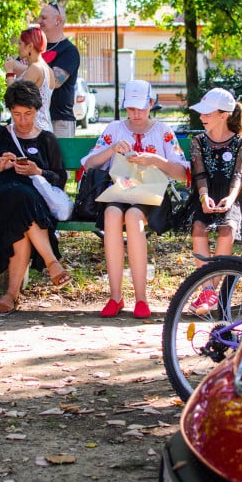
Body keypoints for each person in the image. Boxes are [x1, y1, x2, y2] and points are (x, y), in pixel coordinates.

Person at [81, 80, 189, 318]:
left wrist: (155, 160)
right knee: (111, 214)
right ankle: (115, 296)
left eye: (141, 107)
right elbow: (88, 165)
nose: (136, 113)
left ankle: (141, 298)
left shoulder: (163, 131)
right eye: (131, 108)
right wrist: (111, 151)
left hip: (153, 194)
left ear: (151, 103)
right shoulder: (115, 129)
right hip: (122, 190)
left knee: (133, 216)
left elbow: (182, 173)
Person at [0, 81, 72, 316]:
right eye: (17, 114)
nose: (23, 121)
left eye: (28, 114)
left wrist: (38, 171)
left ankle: (11, 296)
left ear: (37, 111)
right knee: (20, 199)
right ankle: (51, 262)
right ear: (10, 112)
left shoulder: (46, 139)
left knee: (22, 208)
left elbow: (59, 178)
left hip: (30, 203)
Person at [185, 88, 242, 314]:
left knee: (227, 230)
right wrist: (204, 197)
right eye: (201, 113)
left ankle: (209, 293)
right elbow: (199, 174)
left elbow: (238, 175)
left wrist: (230, 198)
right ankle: (208, 291)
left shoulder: (241, 143)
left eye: (207, 113)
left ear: (223, 115)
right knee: (198, 228)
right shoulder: (198, 141)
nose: (202, 117)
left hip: (231, 196)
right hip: (205, 194)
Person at [7, 1, 80, 137]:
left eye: (44, 18)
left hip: (59, 121)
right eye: (39, 17)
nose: (39, 21)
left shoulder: (69, 51)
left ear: (58, 20)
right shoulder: (31, 47)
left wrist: (21, 69)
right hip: (28, 119)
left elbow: (56, 81)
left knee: (58, 159)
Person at [4, 27, 54, 132]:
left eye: (20, 44)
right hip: (44, 127)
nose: (18, 48)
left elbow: (13, 98)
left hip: (32, 131)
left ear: (30, 46)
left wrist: (9, 73)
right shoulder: (47, 69)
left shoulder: (35, 68)